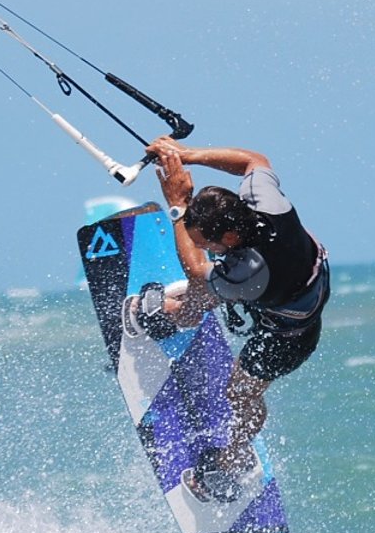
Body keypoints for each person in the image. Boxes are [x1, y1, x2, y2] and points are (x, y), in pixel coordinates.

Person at [124, 137, 330, 501]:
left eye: (206, 242)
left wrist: (177, 205)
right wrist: (187, 156)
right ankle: (174, 314)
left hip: (288, 335)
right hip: (291, 285)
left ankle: (236, 459)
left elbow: (196, 271)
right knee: (206, 292)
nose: (201, 245)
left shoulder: (250, 271)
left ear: (231, 235)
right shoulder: (264, 202)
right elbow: (255, 158)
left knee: (239, 394)